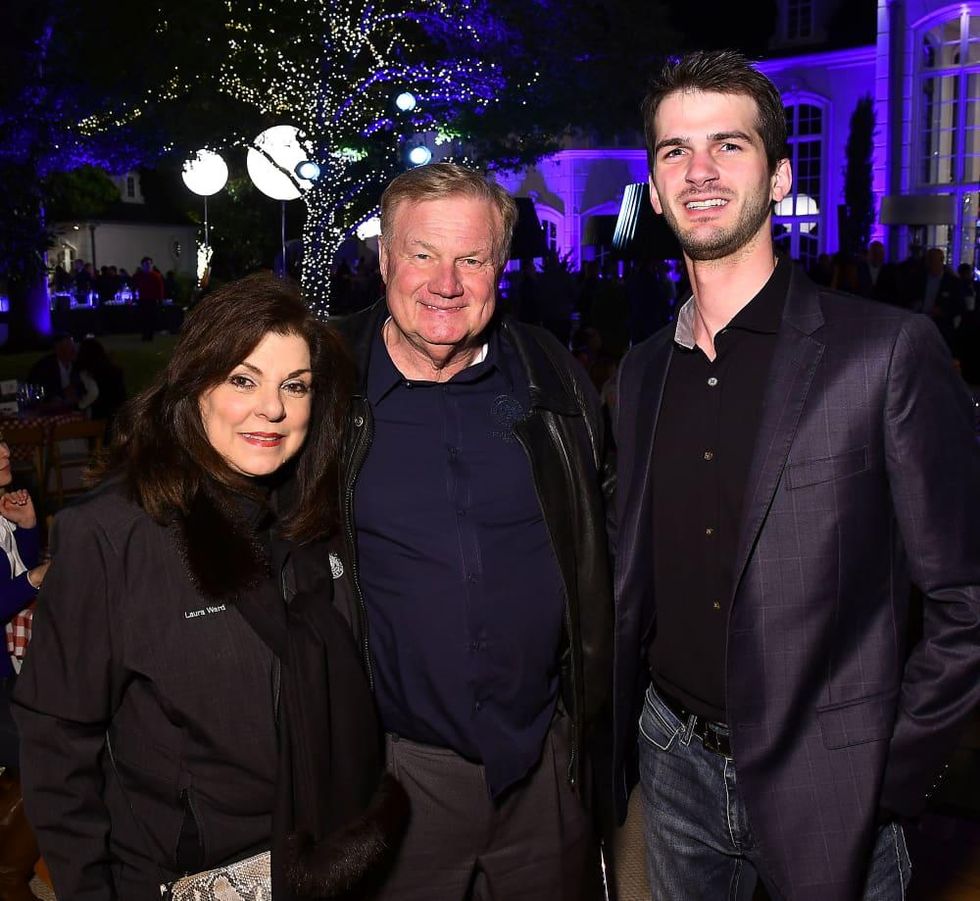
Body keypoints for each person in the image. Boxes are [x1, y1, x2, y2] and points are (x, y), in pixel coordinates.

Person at [611, 50, 980, 901]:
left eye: (728, 146)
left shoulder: (883, 354)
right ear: (657, 190)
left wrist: (888, 776)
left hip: (833, 786)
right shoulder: (638, 374)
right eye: (675, 152)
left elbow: (965, 598)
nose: (699, 171)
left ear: (779, 178)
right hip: (672, 765)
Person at [12, 274, 407, 900]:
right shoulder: (115, 534)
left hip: (328, 862)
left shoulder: (319, 518)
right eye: (243, 380)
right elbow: (57, 741)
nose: (272, 409)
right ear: (195, 385)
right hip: (187, 880)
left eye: (295, 386)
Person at [334, 162, 613, 901]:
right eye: (422, 254)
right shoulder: (323, 388)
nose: (445, 282)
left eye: (472, 258)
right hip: (393, 779)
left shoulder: (556, 383)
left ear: (501, 265)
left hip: (544, 770)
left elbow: (611, 545)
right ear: (386, 259)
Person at [0, 442, 48, 901]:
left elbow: (24, 568)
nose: (3, 451)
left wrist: (29, 528)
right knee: (46, 756)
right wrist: (33, 581)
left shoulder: (3, 509)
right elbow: (19, 585)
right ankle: (10, 879)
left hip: (8, 667)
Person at [75, 337, 128, 440]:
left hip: (100, 419)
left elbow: (93, 394)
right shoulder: (114, 370)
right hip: (118, 417)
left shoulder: (89, 373)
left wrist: (79, 405)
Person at [26, 332, 83, 408]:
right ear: (58, 349)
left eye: (73, 345)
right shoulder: (45, 367)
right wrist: (61, 394)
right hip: (50, 409)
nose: (73, 350)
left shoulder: (77, 365)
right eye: (68, 346)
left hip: (73, 407)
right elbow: (37, 391)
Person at [131, 256, 165, 341]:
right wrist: (134, 297)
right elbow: (134, 286)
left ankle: (149, 335)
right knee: (144, 318)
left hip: (152, 300)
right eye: (146, 264)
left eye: (149, 264)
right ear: (142, 265)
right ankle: (145, 334)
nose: (148, 266)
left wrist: (160, 299)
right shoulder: (139, 276)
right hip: (143, 299)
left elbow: (160, 288)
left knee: (151, 318)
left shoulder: (156, 276)